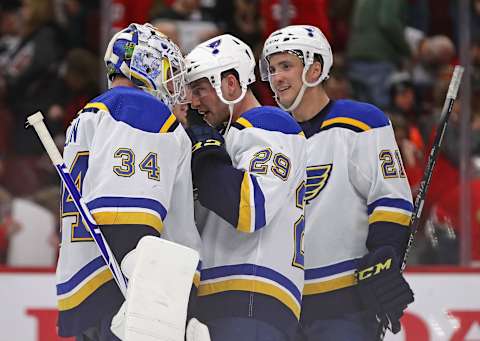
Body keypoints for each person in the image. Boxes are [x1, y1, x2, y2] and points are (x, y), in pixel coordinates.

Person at [260, 25, 415, 340]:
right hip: (279, 301)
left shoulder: (361, 123)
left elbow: (391, 200)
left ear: (315, 69)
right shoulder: (266, 134)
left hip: (345, 305)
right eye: (272, 69)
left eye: (286, 66)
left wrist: (384, 253)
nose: (276, 77)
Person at [55, 23, 202, 340]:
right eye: (166, 70)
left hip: (90, 284)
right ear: (144, 64)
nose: (172, 83)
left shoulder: (91, 114)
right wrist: (156, 300)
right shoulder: (138, 109)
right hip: (129, 297)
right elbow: (124, 216)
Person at [184, 34, 307, 341]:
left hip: (251, 295)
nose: (194, 102)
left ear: (230, 84)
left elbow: (251, 207)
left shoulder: (267, 123)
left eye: (200, 89)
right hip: (231, 298)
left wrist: (205, 147)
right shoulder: (231, 135)